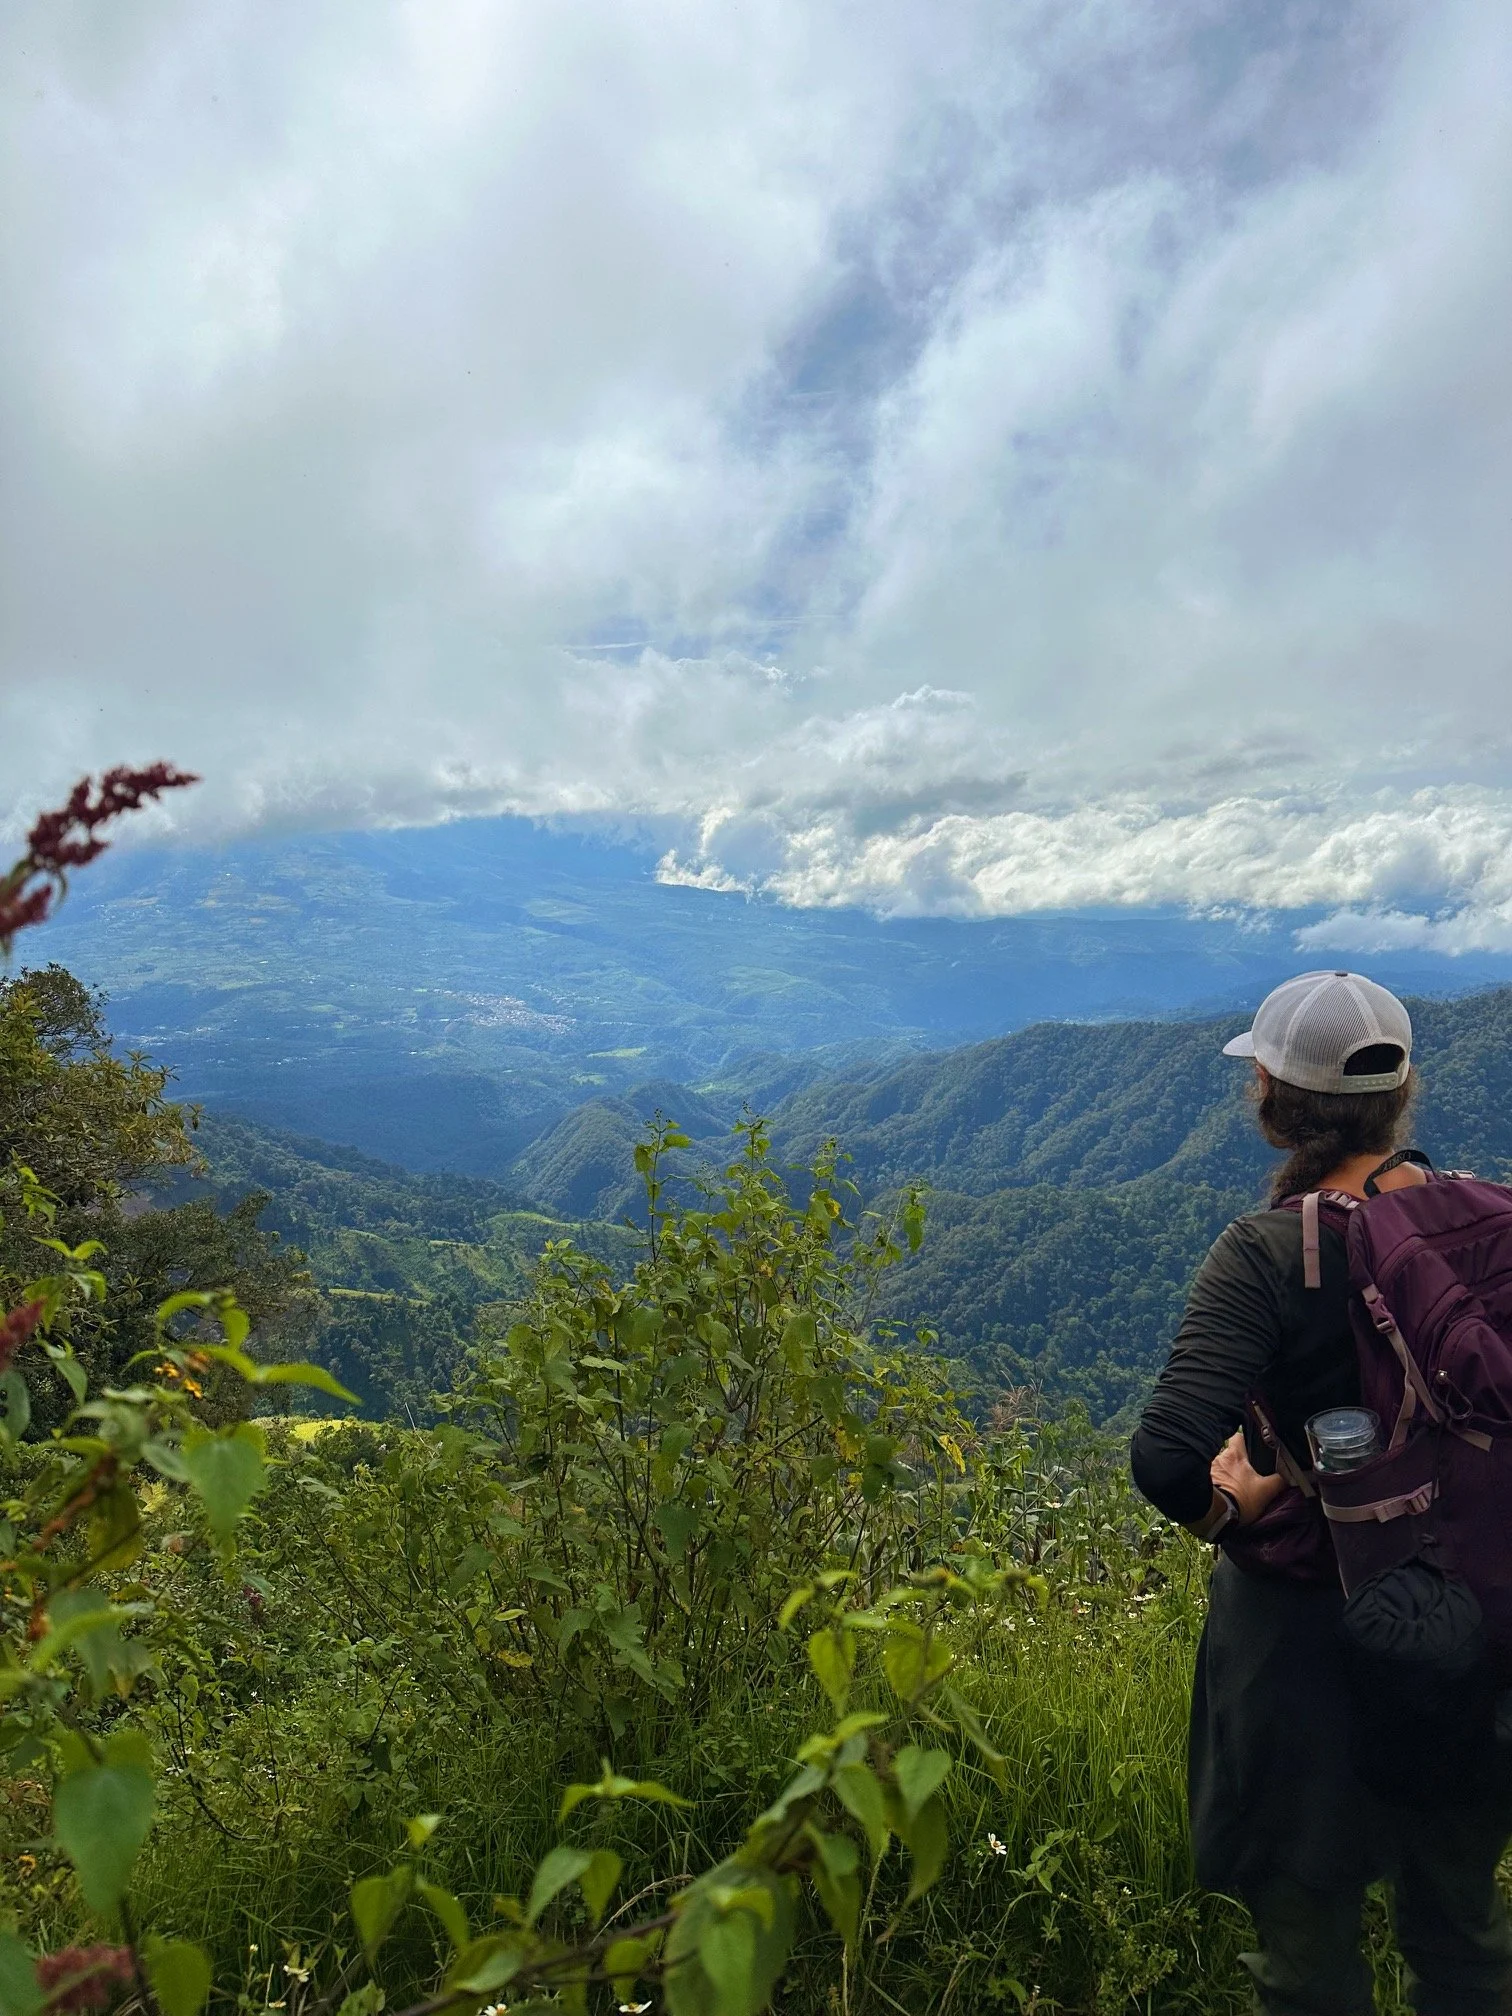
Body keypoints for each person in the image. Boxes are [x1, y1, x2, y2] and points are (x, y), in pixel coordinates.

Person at [1130, 970, 1512, 2016]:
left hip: (1303, 1650)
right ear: (1402, 1095)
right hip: (1469, 1626)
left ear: (1266, 1092)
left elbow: (1165, 1458)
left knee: (1307, 1956)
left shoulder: (1270, 1251)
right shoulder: (1487, 1224)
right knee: (1467, 1943)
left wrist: (1234, 1509)